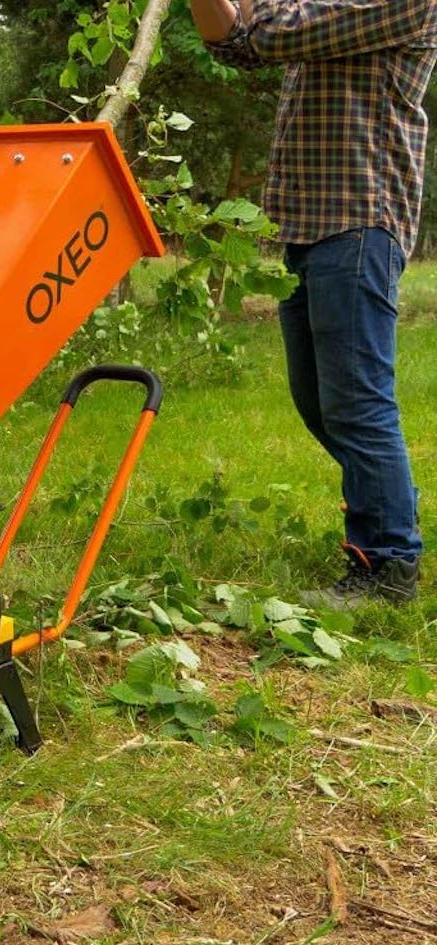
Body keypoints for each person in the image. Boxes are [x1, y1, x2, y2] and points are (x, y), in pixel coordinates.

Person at [189, 0, 436, 607]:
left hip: (359, 220)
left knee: (356, 403)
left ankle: (389, 563)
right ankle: (391, 509)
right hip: (306, 224)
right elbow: (232, 42)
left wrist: (252, 15)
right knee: (318, 401)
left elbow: (271, 32)